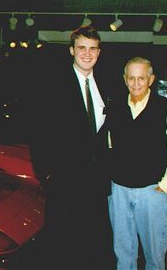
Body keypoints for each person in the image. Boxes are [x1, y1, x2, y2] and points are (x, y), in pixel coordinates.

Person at [29, 25, 114, 269]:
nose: (87, 54)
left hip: (97, 183)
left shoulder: (106, 84)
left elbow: (131, 103)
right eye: (81, 48)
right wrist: (46, 173)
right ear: (71, 50)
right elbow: (38, 130)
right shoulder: (53, 84)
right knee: (63, 244)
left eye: (92, 49)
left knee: (94, 242)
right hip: (65, 182)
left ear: (99, 52)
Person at [106, 57, 167, 270]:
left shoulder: (166, 109)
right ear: (125, 79)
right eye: (131, 78)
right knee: (124, 256)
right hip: (119, 193)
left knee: (154, 257)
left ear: (151, 79)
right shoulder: (113, 108)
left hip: (152, 192)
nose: (136, 83)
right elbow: (106, 147)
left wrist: (165, 185)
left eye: (141, 78)